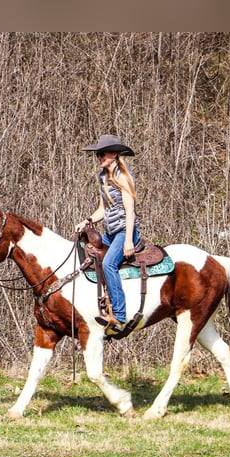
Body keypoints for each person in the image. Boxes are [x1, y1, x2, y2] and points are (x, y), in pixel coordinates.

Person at [75, 134, 141, 336]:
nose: (99, 158)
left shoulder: (124, 177)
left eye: (102, 154)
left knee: (108, 264)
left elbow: (130, 211)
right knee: (85, 249)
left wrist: (129, 240)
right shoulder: (103, 177)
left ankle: (119, 316)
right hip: (110, 233)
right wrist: (87, 222)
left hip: (124, 232)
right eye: (97, 154)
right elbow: (103, 210)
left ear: (113, 154)